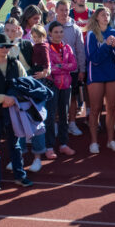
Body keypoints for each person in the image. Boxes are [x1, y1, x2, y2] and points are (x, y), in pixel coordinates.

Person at [0, 33, 33, 190]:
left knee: (15, 145)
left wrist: (14, 99)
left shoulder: (16, 64)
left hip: (13, 111)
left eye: (8, 46)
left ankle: (20, 175)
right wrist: (4, 99)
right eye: (2, 46)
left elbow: (26, 84)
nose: (5, 49)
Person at [85, 6, 115, 153]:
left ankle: (110, 140)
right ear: (96, 17)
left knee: (111, 109)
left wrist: (114, 47)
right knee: (95, 109)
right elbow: (94, 59)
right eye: (102, 14)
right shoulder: (91, 34)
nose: (106, 16)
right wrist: (107, 46)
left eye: (107, 14)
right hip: (96, 75)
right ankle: (94, 142)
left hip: (112, 75)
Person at [45, 21, 78, 157]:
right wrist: (63, 66)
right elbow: (49, 68)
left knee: (64, 115)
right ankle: (49, 147)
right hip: (52, 86)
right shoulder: (46, 48)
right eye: (56, 32)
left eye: (61, 32)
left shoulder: (67, 47)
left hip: (66, 85)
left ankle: (63, 144)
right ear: (50, 33)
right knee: (51, 116)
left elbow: (74, 65)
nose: (59, 35)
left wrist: (59, 66)